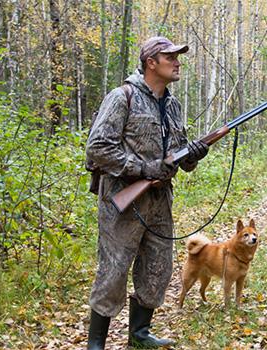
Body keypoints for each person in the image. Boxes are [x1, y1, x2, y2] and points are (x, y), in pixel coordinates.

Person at [86, 36, 209, 349]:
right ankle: (96, 341)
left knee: (158, 268)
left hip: (159, 201)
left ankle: (140, 335)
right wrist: (143, 168)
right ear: (151, 62)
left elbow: (179, 156)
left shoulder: (173, 104)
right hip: (122, 203)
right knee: (113, 270)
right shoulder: (122, 97)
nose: (178, 62)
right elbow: (98, 149)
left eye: (177, 57)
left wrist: (192, 154)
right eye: (171, 57)